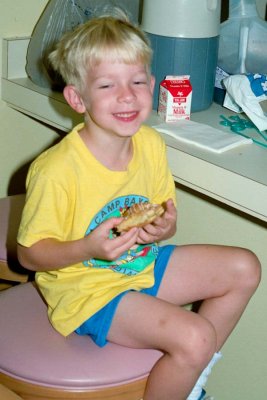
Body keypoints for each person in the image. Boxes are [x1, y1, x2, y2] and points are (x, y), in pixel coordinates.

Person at [17, 10, 261, 400]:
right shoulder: (56, 170)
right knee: (195, 335)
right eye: (107, 86)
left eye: (135, 81)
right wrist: (88, 248)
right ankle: (189, 374)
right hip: (86, 288)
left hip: (141, 263)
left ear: (151, 84)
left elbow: (166, 218)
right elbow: (29, 255)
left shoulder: (150, 144)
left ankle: (191, 378)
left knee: (244, 266)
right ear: (77, 98)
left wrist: (163, 227)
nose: (127, 95)